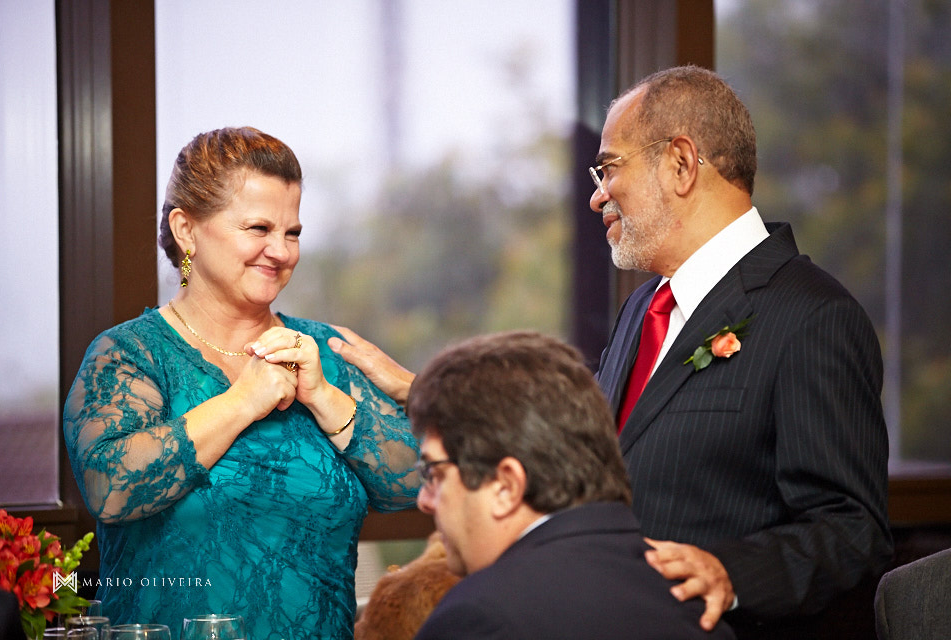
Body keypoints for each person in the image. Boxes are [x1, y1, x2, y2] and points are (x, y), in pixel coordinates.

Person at [63, 126, 421, 640]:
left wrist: (325, 397)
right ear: (186, 230)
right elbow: (113, 487)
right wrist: (241, 402)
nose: (280, 251)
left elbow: (416, 482)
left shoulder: (324, 351)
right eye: (258, 228)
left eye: (292, 232)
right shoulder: (128, 355)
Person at [588, 66, 892, 638]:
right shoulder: (641, 311)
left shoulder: (814, 317)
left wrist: (729, 573)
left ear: (681, 163)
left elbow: (851, 530)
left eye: (609, 167)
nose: (597, 194)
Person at [406, 331, 736, 640]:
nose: (425, 500)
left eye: (434, 473)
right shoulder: (698, 610)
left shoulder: (477, 617)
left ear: (506, 486)